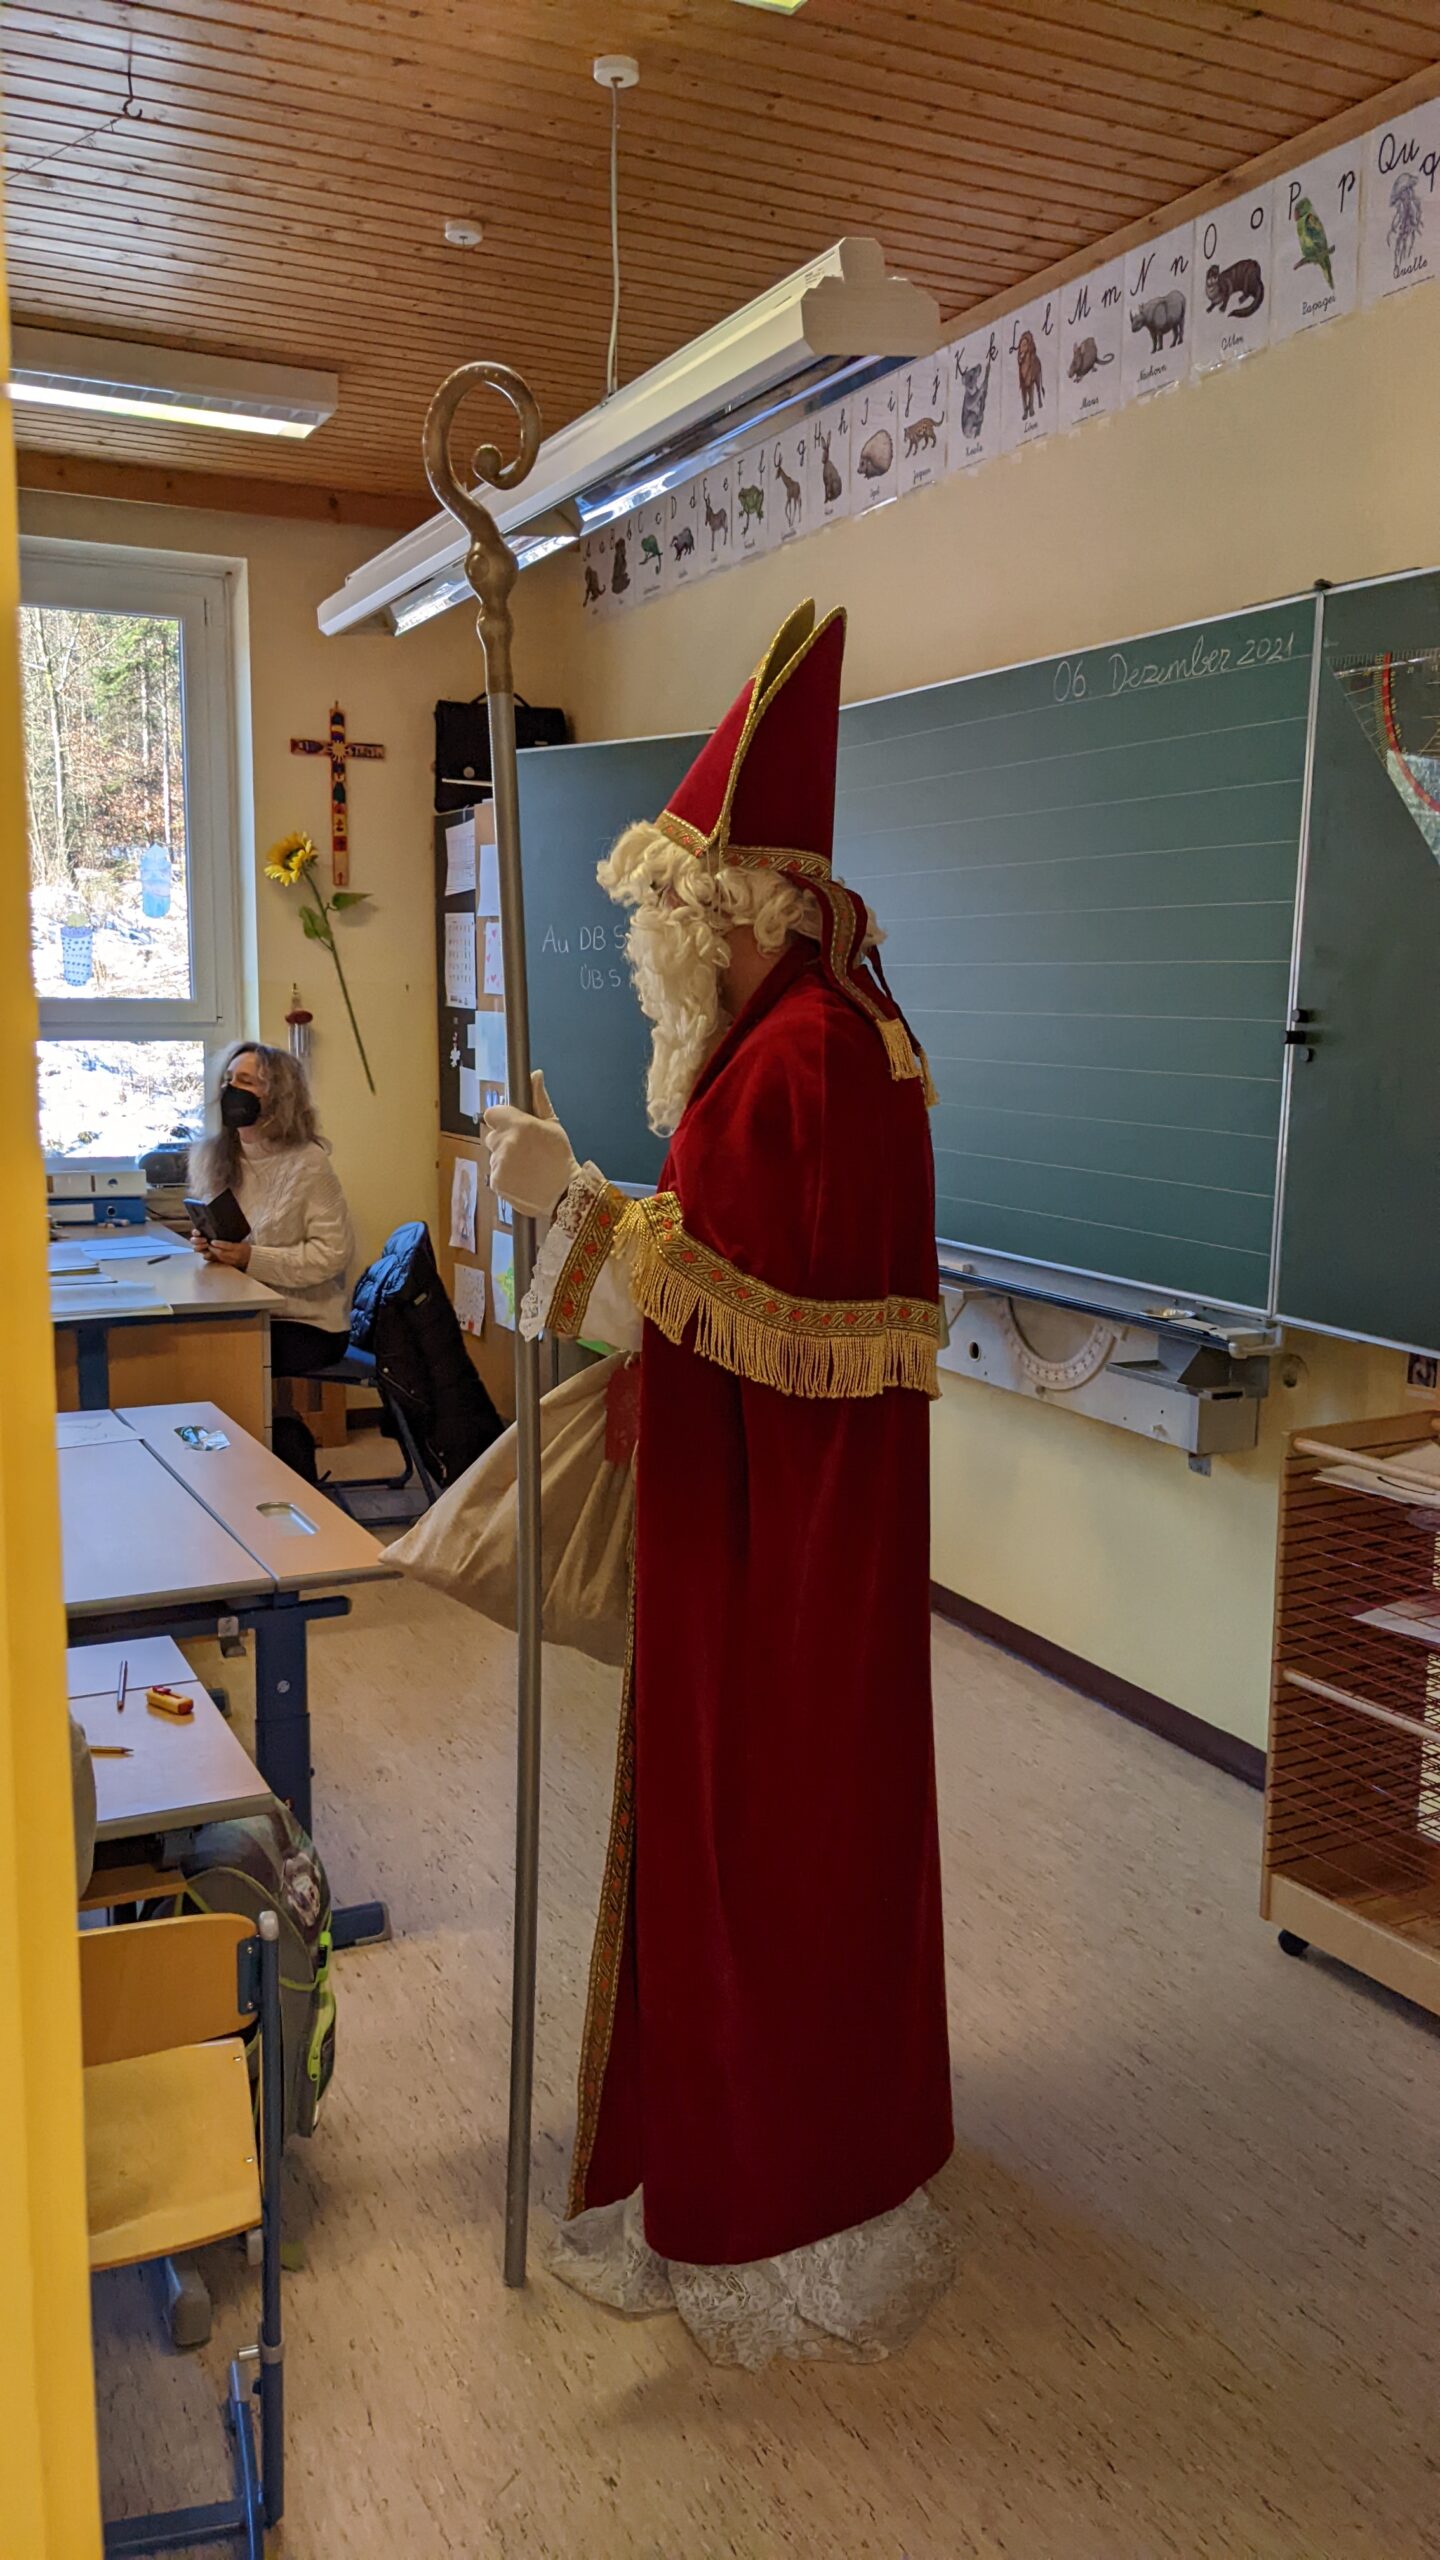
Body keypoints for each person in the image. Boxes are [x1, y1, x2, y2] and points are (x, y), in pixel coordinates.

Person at [483, 600, 954, 2369]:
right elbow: (742, 1280)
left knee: (755, 1846)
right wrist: (599, 1213)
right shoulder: (804, 1041)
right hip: (757, 1523)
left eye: (672, 916)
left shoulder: (813, 1064)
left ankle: (761, 2200)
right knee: (753, 1848)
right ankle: (727, 2159)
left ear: (744, 904)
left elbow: (750, 1305)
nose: (651, 951)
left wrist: (568, 1204)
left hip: (778, 1554)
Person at [189, 1041, 355, 1477]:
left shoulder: (308, 1163)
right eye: (228, 1081)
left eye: (245, 1082)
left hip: (307, 1321)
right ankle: (229, 1472)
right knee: (201, 1349)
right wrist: (211, 1244)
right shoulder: (217, 1156)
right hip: (246, 1308)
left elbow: (331, 1256)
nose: (231, 1091)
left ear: (276, 1097)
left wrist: (249, 1258)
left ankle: (272, 1469)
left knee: (221, 1359)